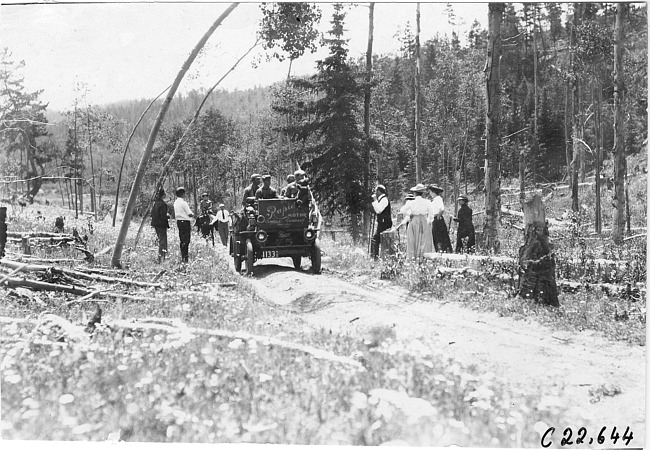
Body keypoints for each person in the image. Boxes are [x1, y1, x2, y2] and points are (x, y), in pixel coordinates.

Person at [401, 184, 435, 259]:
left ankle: (413, 257)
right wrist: (429, 221)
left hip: (414, 220)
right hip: (424, 220)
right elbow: (431, 214)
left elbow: (402, 210)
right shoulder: (427, 202)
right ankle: (424, 257)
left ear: (415, 193)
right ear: (423, 193)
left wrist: (409, 214)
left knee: (413, 239)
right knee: (424, 240)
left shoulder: (411, 202)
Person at [428, 184, 453, 253]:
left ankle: (444, 249)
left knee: (440, 235)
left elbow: (442, 209)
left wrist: (439, 216)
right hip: (434, 219)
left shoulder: (438, 198)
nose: (430, 194)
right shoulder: (434, 200)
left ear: (433, 192)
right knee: (436, 234)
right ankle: (439, 249)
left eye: (430, 192)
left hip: (438, 219)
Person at [370, 184, 392, 259]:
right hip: (382, 223)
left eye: (376, 191)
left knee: (375, 239)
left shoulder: (384, 199)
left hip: (384, 223)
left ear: (379, 191)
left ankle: (375, 257)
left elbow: (379, 210)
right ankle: (375, 257)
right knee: (376, 239)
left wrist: (375, 201)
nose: (375, 192)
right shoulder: (382, 199)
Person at [173, 187, 194, 263]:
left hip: (179, 221)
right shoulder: (183, 203)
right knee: (186, 240)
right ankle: (185, 257)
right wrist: (193, 214)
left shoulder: (175, 202)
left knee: (182, 239)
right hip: (185, 221)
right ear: (183, 194)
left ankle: (183, 256)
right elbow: (189, 213)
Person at [151, 188, 170, 263]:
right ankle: (162, 258)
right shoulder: (162, 204)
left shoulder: (155, 203)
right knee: (163, 242)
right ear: (163, 195)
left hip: (156, 224)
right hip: (161, 225)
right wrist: (168, 216)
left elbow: (152, 214)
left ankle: (160, 257)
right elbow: (163, 216)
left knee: (160, 240)